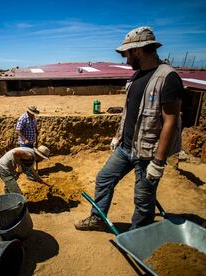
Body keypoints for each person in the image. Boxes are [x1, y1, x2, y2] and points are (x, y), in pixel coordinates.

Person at [75, 26, 183, 231]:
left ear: (139, 50)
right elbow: (129, 112)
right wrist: (118, 136)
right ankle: (97, 218)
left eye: (127, 55)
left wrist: (158, 162)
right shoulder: (136, 77)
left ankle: (138, 235)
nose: (126, 60)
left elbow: (170, 120)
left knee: (143, 198)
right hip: (126, 147)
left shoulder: (167, 77)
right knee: (104, 178)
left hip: (148, 152)